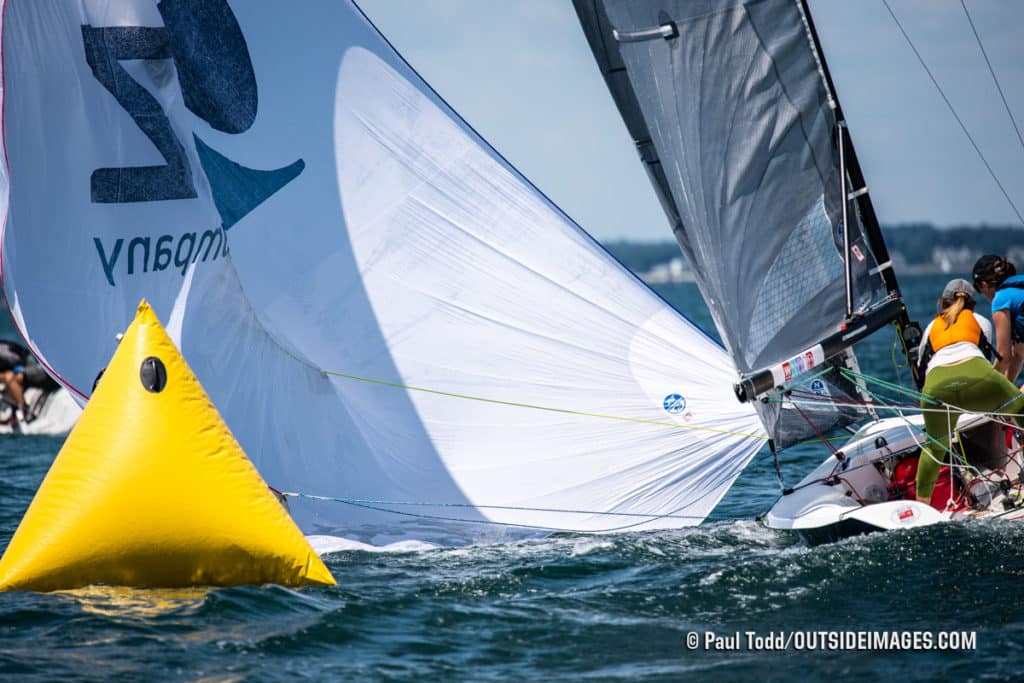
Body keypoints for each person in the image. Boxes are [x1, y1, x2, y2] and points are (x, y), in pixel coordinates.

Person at [915, 278, 1024, 506]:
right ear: (972, 305)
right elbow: (987, 359)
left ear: (942, 303)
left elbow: (922, 372)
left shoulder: (929, 329)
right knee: (1020, 409)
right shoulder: (979, 320)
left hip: (936, 390)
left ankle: (921, 505)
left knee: (935, 447)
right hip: (979, 382)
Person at [972, 255, 1024, 384]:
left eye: (980, 290)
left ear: (983, 284)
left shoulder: (1001, 299)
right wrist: (1007, 389)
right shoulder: (1020, 285)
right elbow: (1018, 354)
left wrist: (987, 386)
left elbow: (1004, 357)